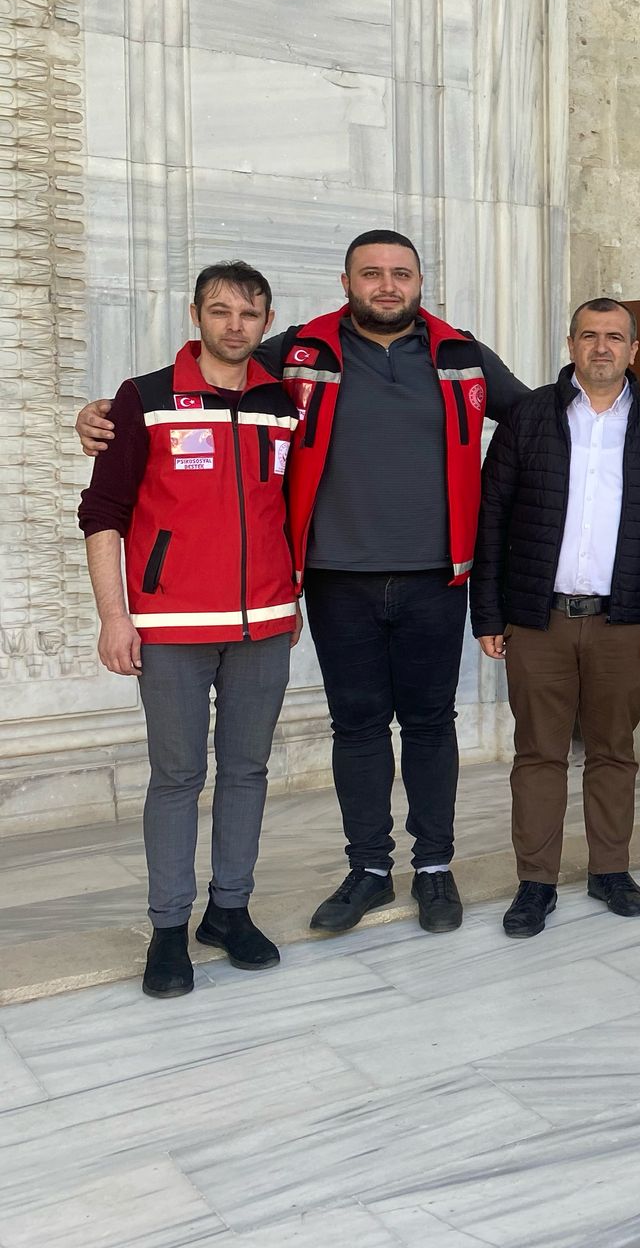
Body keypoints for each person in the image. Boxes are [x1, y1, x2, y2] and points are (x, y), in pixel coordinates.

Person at [76, 231, 529, 936]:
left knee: (431, 725)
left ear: (420, 282)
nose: (387, 285)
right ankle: (369, 869)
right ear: (345, 282)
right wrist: (107, 412)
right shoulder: (298, 352)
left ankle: (434, 867)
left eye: (401, 273)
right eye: (371, 273)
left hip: (437, 577)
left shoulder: (460, 354)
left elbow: (535, 419)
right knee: (357, 727)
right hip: (334, 578)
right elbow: (210, 373)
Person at [77, 262, 301, 998]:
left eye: (249, 313)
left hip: (264, 625)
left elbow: (288, 506)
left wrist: (289, 595)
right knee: (177, 777)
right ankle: (169, 927)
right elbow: (103, 514)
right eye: (220, 311)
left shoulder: (281, 403)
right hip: (169, 626)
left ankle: (229, 911)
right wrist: (115, 616)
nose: (234, 325)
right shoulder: (143, 399)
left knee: (247, 771)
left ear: (267, 322)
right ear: (195, 315)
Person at [472, 299, 640, 938]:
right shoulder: (530, 416)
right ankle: (535, 881)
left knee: (614, 751)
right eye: (589, 335)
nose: (601, 347)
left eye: (614, 337)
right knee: (539, 752)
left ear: (633, 349)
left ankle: (610, 870)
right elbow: (492, 517)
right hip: (540, 619)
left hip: (624, 622)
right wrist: (489, 613)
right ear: (571, 344)